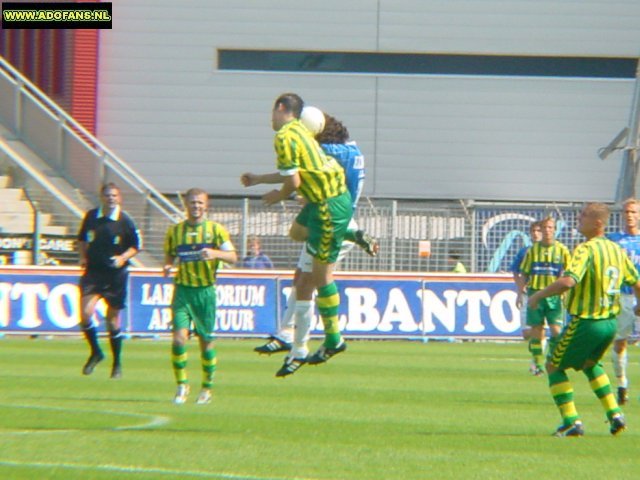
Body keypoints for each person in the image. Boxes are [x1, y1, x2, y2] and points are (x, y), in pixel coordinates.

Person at [241, 93, 358, 376]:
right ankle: (292, 338)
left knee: (315, 279)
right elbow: (294, 173)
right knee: (297, 242)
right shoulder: (303, 134)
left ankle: (324, 341)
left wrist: (277, 196)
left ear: (281, 108)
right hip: (323, 204)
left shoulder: (285, 137)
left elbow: (292, 181)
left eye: (272, 111)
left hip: (327, 207)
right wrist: (258, 179)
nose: (270, 117)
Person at [528, 202, 640, 436]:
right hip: (610, 323)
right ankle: (615, 414)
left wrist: (538, 294)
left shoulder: (585, 249)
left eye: (585, 215)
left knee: (553, 366)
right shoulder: (616, 250)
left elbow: (569, 281)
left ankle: (571, 421)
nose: (580, 218)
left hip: (587, 321)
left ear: (598, 223)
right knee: (590, 364)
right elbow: (636, 281)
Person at [163, 188, 237, 404]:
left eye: (199, 203)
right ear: (186, 205)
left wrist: (215, 253)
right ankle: (181, 385)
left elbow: (233, 256)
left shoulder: (216, 231)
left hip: (205, 292)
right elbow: (169, 255)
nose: (196, 206)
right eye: (192, 203)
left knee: (206, 342)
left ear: (206, 205)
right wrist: (168, 265)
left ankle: (206, 387)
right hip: (182, 291)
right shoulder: (175, 232)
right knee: (178, 339)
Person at [77, 182, 141, 379]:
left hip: (116, 275)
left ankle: (117, 363)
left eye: (114, 195)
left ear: (119, 198)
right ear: (101, 197)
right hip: (94, 272)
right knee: (86, 312)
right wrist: (83, 256)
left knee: (112, 320)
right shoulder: (92, 217)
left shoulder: (124, 221)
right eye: (107, 195)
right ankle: (96, 352)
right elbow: (82, 239)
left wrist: (122, 258)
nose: (110, 198)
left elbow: (135, 246)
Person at [519, 216, 571, 376]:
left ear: (554, 230)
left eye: (550, 227)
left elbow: (569, 273)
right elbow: (524, 272)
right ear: (540, 230)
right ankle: (537, 363)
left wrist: (565, 293)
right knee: (537, 330)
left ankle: (552, 359)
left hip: (555, 296)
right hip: (536, 294)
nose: (547, 231)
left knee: (556, 331)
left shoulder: (562, 250)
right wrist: (522, 290)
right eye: (544, 228)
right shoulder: (532, 251)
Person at [606, 198, 640, 405]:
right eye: (626, 212)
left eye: (633, 212)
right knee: (620, 343)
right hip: (623, 298)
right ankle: (622, 383)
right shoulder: (614, 241)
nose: (629, 215)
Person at [511, 221, 543, 340]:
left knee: (542, 329)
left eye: (538, 231)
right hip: (528, 293)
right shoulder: (524, 252)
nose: (535, 234)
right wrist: (520, 290)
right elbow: (515, 271)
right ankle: (538, 351)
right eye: (533, 231)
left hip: (545, 292)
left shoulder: (553, 250)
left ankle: (541, 354)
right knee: (526, 333)